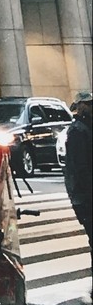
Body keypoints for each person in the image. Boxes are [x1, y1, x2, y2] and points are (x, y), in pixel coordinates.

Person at [64, 92, 91, 254]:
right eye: (88, 104)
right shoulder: (78, 130)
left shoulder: (85, 128)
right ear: (80, 106)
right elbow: (79, 168)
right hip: (85, 198)